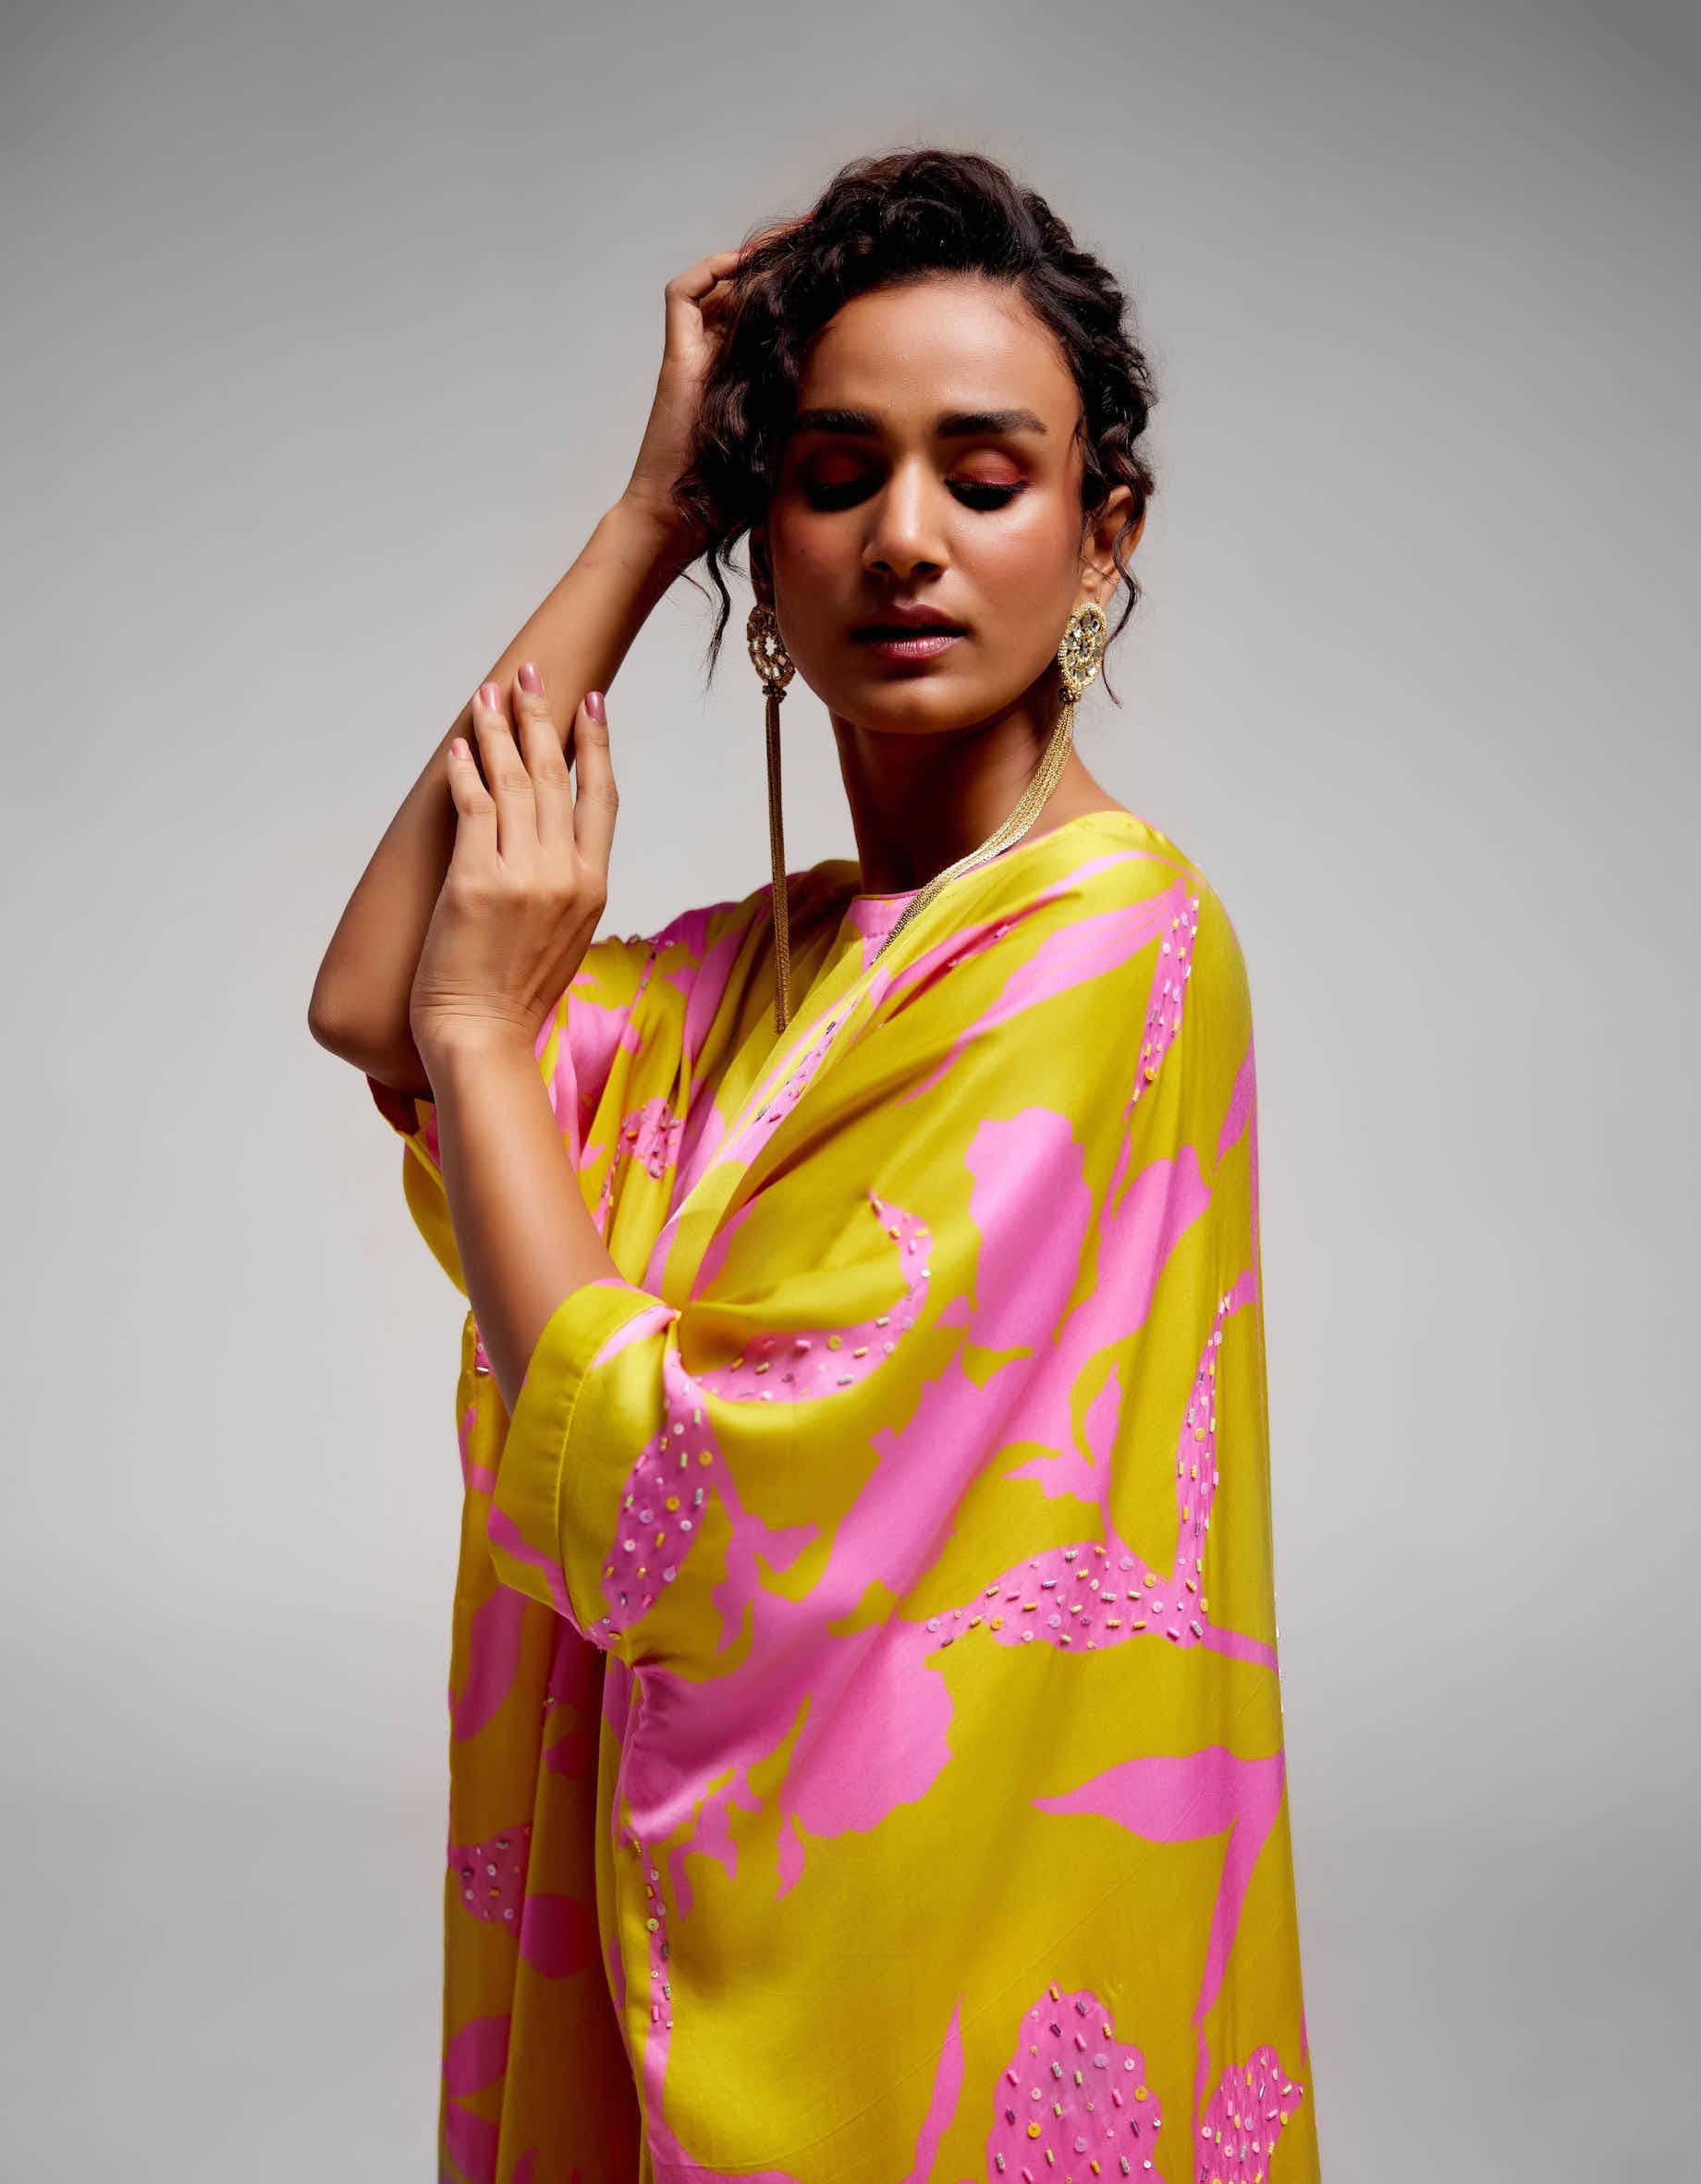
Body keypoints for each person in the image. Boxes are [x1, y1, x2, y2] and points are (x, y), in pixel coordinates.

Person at [311, 147, 1320, 2184]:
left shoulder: (1113, 941)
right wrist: (649, 510)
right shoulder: (758, 971)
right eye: (835, 475)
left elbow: (679, 1514)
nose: (905, 540)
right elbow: (376, 997)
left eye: (987, 477)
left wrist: (493, 1026)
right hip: (725, 1911)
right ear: (764, 544)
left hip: (934, 1957)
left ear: (1103, 534)